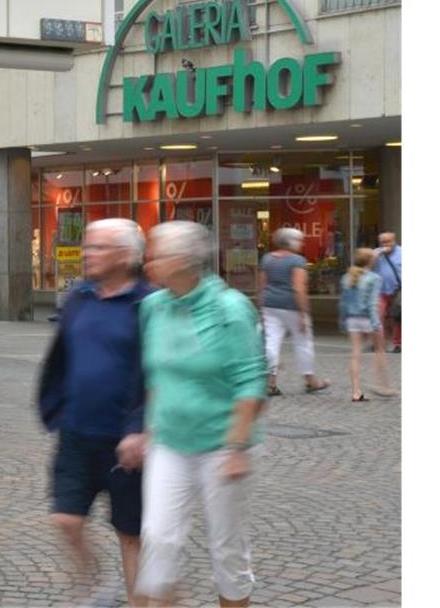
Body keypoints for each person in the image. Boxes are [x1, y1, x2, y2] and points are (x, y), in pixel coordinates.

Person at [136, 221, 268, 608]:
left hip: (223, 444)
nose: (148, 263)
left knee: (226, 548)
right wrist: (149, 426)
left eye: (156, 255)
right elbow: (155, 373)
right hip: (170, 442)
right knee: (158, 539)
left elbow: (251, 381)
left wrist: (238, 446)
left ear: (183, 262)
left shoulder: (230, 309)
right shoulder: (152, 307)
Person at [37, 218, 152, 606]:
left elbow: (155, 373)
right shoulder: (79, 297)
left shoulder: (147, 304)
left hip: (126, 441)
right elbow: (62, 355)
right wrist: (54, 405)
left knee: (130, 534)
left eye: (98, 247)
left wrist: (140, 428)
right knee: (66, 520)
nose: (87, 254)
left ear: (125, 255)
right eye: (87, 246)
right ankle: (98, 582)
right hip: (76, 432)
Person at [257, 227, 329, 396]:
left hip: (270, 304)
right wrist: (303, 313)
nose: (302, 244)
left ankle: (270, 383)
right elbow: (298, 288)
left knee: (271, 343)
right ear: (291, 242)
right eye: (300, 240)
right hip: (291, 306)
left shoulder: (267, 259)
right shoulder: (297, 261)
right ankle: (310, 381)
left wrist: (261, 306)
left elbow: (261, 285)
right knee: (303, 342)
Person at [340, 249, 398, 401]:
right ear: (370, 261)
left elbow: (343, 303)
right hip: (368, 319)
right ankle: (382, 385)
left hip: (352, 319)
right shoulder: (374, 278)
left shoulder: (346, 277)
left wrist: (342, 321)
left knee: (355, 354)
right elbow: (373, 304)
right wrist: (376, 323)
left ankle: (356, 392)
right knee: (380, 350)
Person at [372, 232, 402, 353]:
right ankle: (380, 343)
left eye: (388, 241)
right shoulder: (376, 253)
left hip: (398, 290)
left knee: (398, 317)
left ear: (394, 241)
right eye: (383, 242)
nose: (386, 244)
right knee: (379, 315)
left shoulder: (402, 253)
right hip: (381, 291)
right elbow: (366, 267)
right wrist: (376, 256)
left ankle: (398, 343)